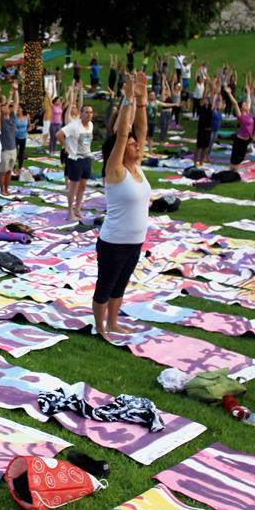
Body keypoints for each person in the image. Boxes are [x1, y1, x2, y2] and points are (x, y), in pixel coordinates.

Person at [93, 72, 150, 338]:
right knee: (105, 286)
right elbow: (124, 133)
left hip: (135, 241)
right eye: (132, 144)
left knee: (120, 286)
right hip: (113, 241)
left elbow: (141, 130)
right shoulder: (115, 171)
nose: (137, 145)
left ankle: (114, 321)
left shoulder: (137, 167)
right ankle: (100, 326)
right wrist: (127, 100)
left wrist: (142, 100)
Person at [57, 103, 95, 220]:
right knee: (73, 187)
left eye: (91, 112)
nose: (89, 115)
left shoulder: (91, 125)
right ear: (81, 114)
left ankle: (78, 209)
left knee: (83, 186)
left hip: (86, 158)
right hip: (75, 159)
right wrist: (66, 147)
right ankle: (70, 212)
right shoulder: (74, 125)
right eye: (86, 112)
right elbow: (59, 134)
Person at [225, 84, 254, 169]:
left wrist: (248, 92)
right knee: (235, 157)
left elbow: (249, 101)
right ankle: (233, 170)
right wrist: (229, 93)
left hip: (246, 139)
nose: (246, 105)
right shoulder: (240, 115)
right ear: (241, 108)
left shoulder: (248, 113)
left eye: (246, 104)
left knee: (241, 157)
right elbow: (235, 103)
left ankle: (235, 170)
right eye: (244, 105)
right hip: (239, 139)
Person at [0, 87, 16, 197]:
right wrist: (9, 97)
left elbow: (16, 103)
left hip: (13, 149)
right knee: (3, 172)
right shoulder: (1, 120)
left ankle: (7, 189)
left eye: (7, 107)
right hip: (4, 150)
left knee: (9, 171)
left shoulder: (12, 118)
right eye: (4, 107)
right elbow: (1, 110)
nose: (6, 109)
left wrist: (15, 91)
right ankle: (2, 189)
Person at [13, 88, 29, 173]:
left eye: (20, 108)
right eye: (18, 108)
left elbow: (28, 125)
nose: (18, 109)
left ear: (22, 109)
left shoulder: (27, 116)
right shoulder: (15, 116)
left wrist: (30, 128)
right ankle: (14, 167)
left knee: (22, 153)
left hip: (24, 136)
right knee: (15, 152)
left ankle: (20, 167)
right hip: (16, 136)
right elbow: (12, 124)